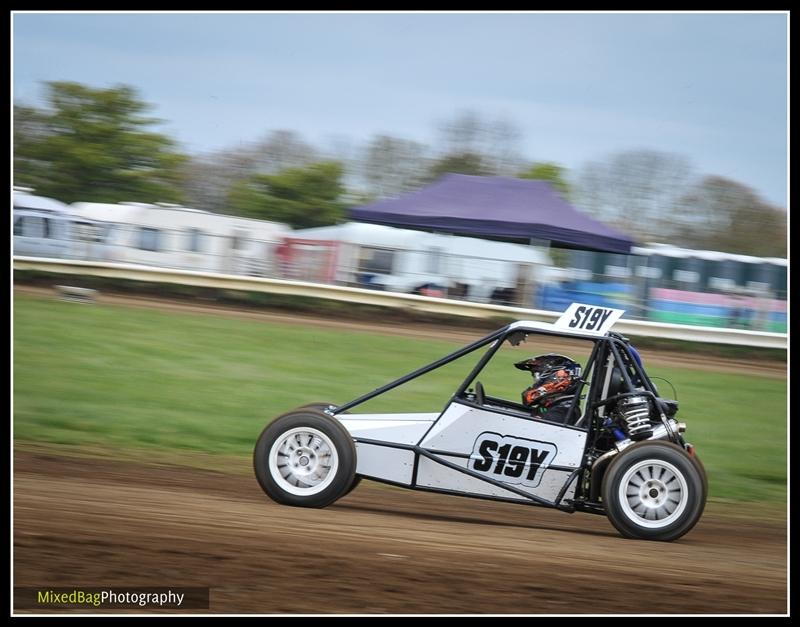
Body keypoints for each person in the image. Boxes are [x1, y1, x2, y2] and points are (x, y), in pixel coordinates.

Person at [515, 354, 582, 424]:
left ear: (559, 379)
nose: (536, 383)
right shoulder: (553, 405)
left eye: (538, 377)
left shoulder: (561, 411)